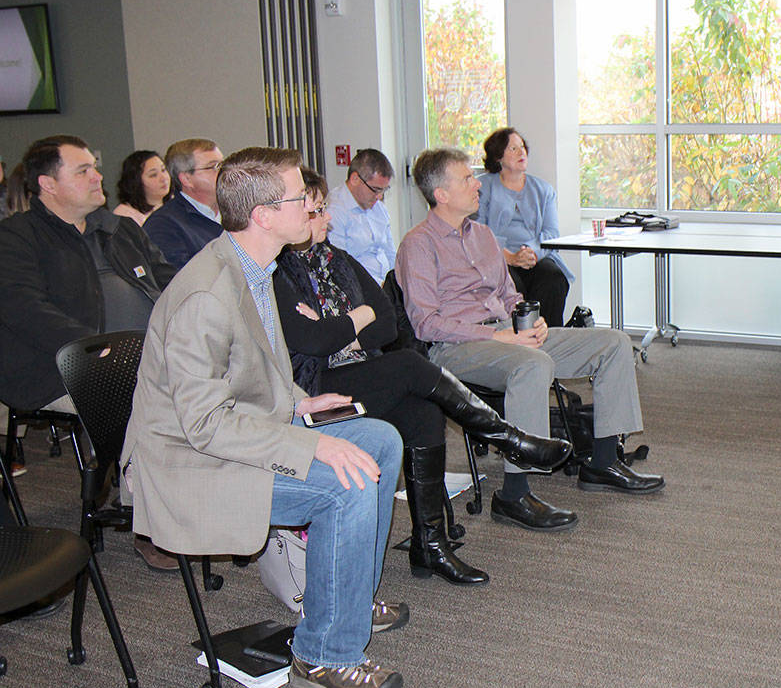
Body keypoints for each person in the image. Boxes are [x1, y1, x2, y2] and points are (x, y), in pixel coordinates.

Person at [122, 147, 407, 688]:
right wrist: (311, 444)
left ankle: (346, 600)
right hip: (192, 463)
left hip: (236, 433)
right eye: (300, 197)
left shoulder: (255, 268)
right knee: (343, 481)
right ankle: (324, 657)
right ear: (263, 215)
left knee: (380, 440)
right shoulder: (207, 294)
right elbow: (204, 425)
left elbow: (256, 371)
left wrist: (301, 404)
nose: (312, 206)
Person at [274, 168, 571, 585]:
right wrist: (353, 320)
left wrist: (340, 326)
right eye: (317, 210)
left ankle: (429, 544)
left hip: (360, 373)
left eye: (324, 208)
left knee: (424, 410)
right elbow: (309, 340)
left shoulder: (336, 260)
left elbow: (385, 328)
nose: (328, 218)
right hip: (311, 391)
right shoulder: (278, 272)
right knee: (412, 367)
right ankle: (507, 438)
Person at [396, 147, 663, 533]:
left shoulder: (483, 235)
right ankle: (514, 493)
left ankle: (603, 462)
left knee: (614, 343)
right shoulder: (417, 245)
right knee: (533, 364)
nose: (478, 186)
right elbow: (426, 323)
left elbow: (509, 295)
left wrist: (531, 322)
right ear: (441, 194)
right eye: (467, 179)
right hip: (458, 348)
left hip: (511, 334)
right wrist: (497, 334)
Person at [0, 135, 177, 568]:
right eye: (82, 171)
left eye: (95, 168)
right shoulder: (16, 238)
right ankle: (150, 522)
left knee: (211, 378)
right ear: (48, 184)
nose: (98, 176)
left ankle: (196, 497)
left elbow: (171, 282)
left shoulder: (119, 229)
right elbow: (29, 312)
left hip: (145, 356)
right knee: (148, 399)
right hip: (57, 368)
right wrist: (108, 354)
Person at [477, 128, 573, 327]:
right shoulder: (483, 187)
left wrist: (532, 253)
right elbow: (478, 232)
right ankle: (521, 343)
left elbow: (551, 233)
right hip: (498, 258)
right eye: (513, 148)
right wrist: (509, 257)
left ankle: (552, 341)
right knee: (511, 287)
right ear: (498, 157)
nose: (522, 153)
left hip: (534, 257)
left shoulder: (543, 190)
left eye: (522, 147)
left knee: (553, 278)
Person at [143, 138, 224, 268]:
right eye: (214, 167)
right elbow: (180, 282)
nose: (225, 172)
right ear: (187, 179)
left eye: (223, 164)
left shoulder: (237, 211)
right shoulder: (163, 226)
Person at [327, 148, 397, 281]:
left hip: (385, 285)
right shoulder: (334, 211)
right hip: (360, 290)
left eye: (384, 190)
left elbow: (390, 253)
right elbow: (340, 267)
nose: (379, 196)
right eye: (375, 189)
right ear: (355, 179)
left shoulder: (379, 208)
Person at [113, 149, 172, 226]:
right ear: (136, 182)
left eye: (163, 170)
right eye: (153, 175)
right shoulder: (124, 215)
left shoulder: (174, 202)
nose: (164, 178)